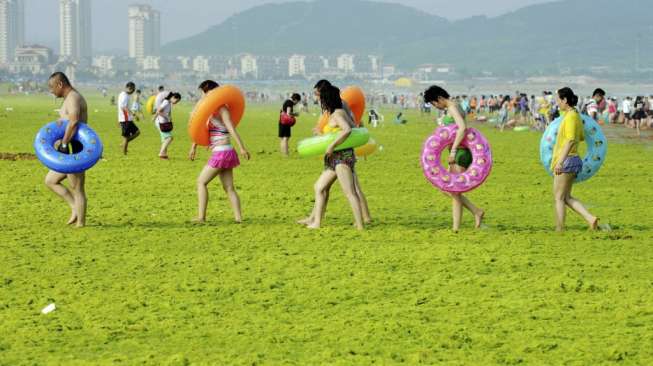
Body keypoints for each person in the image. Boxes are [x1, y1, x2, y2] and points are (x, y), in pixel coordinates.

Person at [300, 85, 365, 230]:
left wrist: (332, 146)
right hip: (335, 157)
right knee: (319, 187)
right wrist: (322, 137)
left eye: (321, 97)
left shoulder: (337, 114)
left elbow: (348, 130)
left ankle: (360, 225)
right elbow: (350, 127)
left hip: (341, 157)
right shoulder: (338, 113)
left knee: (350, 193)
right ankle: (316, 221)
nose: (319, 100)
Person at [424, 85, 485, 231]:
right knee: (449, 189)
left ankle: (460, 224)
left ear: (439, 98)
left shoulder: (452, 108)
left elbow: (462, 127)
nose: (436, 107)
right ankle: (473, 214)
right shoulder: (455, 104)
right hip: (458, 151)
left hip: (460, 152)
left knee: (454, 190)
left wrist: (453, 151)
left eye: (434, 103)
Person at [189, 80, 250, 223]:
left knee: (201, 182)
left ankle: (201, 217)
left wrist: (242, 147)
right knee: (229, 187)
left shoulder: (222, 109)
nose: (202, 96)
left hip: (221, 153)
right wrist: (194, 146)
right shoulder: (210, 111)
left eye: (203, 92)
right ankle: (238, 218)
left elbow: (231, 128)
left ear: (209, 91)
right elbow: (200, 130)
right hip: (225, 152)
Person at [551, 87, 600, 231]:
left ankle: (560, 228)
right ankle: (590, 219)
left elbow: (572, 140)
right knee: (566, 197)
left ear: (565, 100)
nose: (557, 103)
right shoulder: (574, 115)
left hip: (567, 161)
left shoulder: (571, 117)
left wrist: (560, 161)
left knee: (558, 198)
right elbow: (581, 137)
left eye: (558, 100)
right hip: (572, 160)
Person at [44, 72, 89, 228]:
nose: (51, 91)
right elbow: (66, 121)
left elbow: (74, 121)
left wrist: (63, 143)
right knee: (50, 181)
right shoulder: (67, 99)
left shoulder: (73, 98)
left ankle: (81, 224)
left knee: (77, 187)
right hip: (67, 147)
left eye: (51, 87)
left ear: (60, 85)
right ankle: (74, 207)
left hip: (74, 148)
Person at [155, 92, 181, 159]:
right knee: (169, 138)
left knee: (165, 139)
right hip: (161, 123)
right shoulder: (166, 102)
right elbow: (158, 111)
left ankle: (164, 155)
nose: (176, 103)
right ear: (173, 97)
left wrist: (169, 118)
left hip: (163, 123)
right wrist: (167, 117)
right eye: (177, 101)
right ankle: (161, 153)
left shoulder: (168, 103)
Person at [118, 82, 140, 155]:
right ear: (129, 88)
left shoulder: (123, 94)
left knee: (137, 132)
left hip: (126, 119)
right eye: (133, 89)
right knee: (126, 137)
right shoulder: (125, 96)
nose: (133, 91)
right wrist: (133, 114)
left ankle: (124, 145)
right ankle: (124, 153)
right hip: (125, 119)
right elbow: (123, 107)